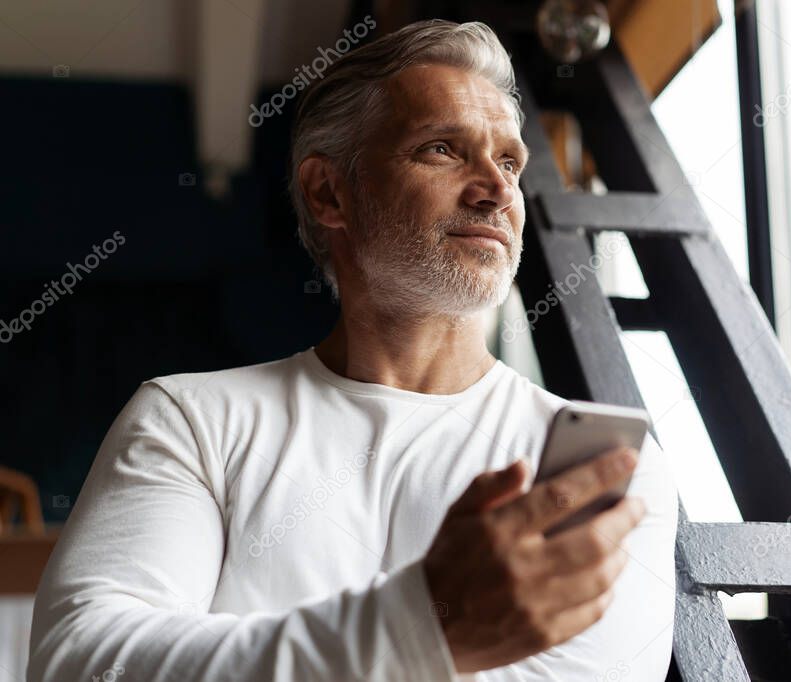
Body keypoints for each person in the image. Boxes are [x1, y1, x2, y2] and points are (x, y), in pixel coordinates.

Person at [28, 19, 678, 681]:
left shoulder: (602, 471)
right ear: (328, 192)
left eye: (508, 161)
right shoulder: (190, 421)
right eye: (443, 150)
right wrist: (423, 628)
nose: (496, 189)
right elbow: (83, 664)